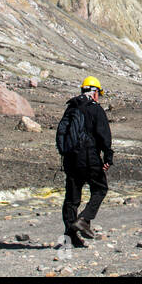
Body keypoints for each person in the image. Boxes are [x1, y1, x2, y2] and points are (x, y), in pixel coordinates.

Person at [57, 76, 114, 248]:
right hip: (89, 157)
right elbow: (104, 136)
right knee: (100, 188)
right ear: (95, 93)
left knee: (72, 199)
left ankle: (70, 238)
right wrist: (108, 157)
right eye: (99, 94)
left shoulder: (71, 108)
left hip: (70, 159)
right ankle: (84, 219)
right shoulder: (95, 109)